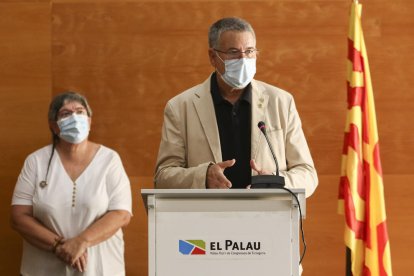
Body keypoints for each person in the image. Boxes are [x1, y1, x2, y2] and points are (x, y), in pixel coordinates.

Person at [155, 17, 318, 197]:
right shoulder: (180, 107)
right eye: (233, 52)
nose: (243, 59)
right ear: (213, 57)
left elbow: (307, 174)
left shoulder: (281, 102)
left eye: (249, 51)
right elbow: (163, 177)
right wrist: (203, 177)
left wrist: (275, 182)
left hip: (267, 217)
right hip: (206, 218)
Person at [10, 92, 132, 276]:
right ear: (54, 126)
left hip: (100, 269)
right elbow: (19, 217)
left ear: (89, 121)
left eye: (80, 111)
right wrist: (58, 246)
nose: (74, 117)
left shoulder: (110, 160)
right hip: (43, 269)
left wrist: (81, 242)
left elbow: (121, 214)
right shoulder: (35, 162)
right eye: (65, 114)